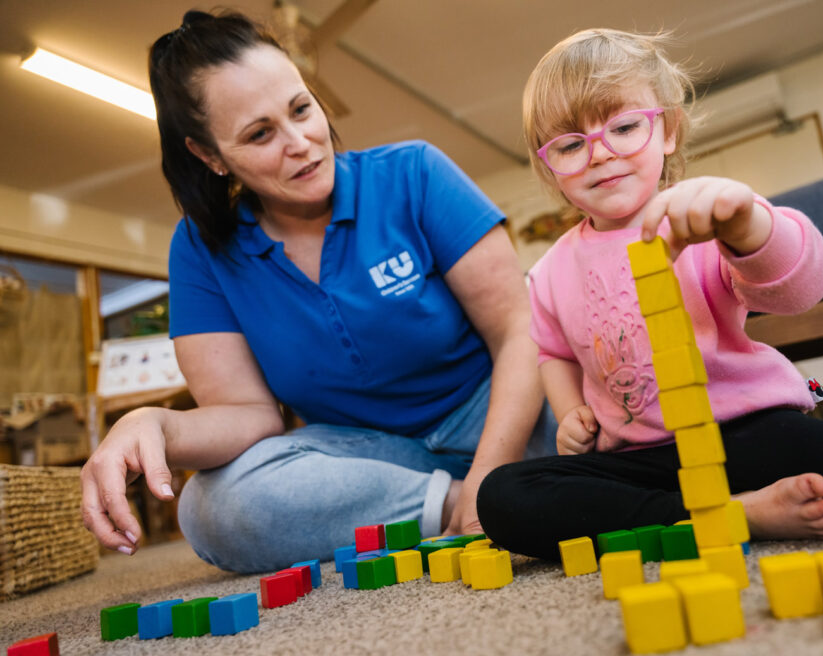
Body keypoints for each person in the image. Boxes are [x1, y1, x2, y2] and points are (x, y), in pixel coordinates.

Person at [475, 28, 823, 561]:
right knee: (503, 497)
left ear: (668, 132)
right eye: (571, 144)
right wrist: (571, 412)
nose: (599, 154)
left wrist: (746, 224)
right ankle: (732, 514)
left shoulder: (704, 216)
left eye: (623, 128)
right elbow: (554, 353)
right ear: (550, 168)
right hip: (644, 460)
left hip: (751, 435)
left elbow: (804, 287)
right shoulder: (547, 272)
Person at [79, 10, 555, 574]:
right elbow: (250, 417)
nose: (302, 142)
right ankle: (457, 504)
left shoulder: (415, 172)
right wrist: (151, 422)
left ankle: (494, 488)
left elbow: (518, 331)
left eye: (302, 109)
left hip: (500, 414)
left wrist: (489, 467)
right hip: (370, 458)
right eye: (260, 134)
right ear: (209, 156)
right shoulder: (199, 250)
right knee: (211, 507)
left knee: (615, 410)